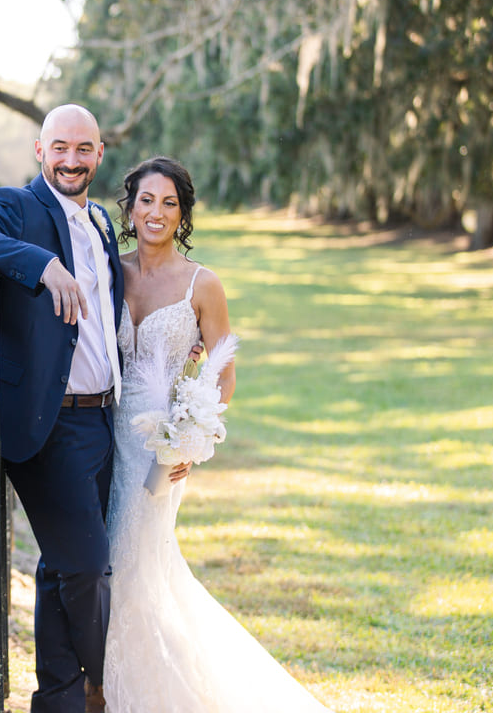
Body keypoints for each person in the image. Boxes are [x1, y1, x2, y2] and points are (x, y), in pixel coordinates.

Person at [103, 156, 332, 712]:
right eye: (147, 200)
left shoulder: (202, 284)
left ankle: (130, 695)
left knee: (131, 562)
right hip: (101, 432)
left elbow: (223, 372)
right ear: (130, 207)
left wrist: (190, 439)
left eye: (170, 203)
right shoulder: (110, 269)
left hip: (159, 450)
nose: (156, 212)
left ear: (182, 215)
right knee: (108, 567)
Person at [0, 104, 122, 713]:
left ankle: (57, 700)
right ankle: (111, 684)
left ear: (100, 155)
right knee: (88, 567)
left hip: (104, 418)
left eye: (84, 149)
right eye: (60, 148)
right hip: (49, 425)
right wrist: (42, 265)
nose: (71, 160)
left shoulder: (100, 220)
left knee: (58, 568)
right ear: (40, 151)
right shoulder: (17, 207)